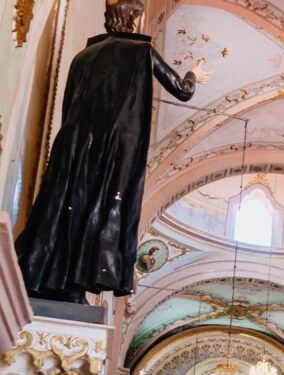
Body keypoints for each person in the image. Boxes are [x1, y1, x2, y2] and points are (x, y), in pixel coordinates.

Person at [15, 0, 208, 302]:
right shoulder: (140, 50)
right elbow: (182, 90)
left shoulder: (83, 56)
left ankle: (46, 277)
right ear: (133, 20)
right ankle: (75, 284)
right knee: (100, 208)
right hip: (114, 149)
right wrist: (193, 73)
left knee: (66, 205)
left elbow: (68, 107)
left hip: (74, 145)